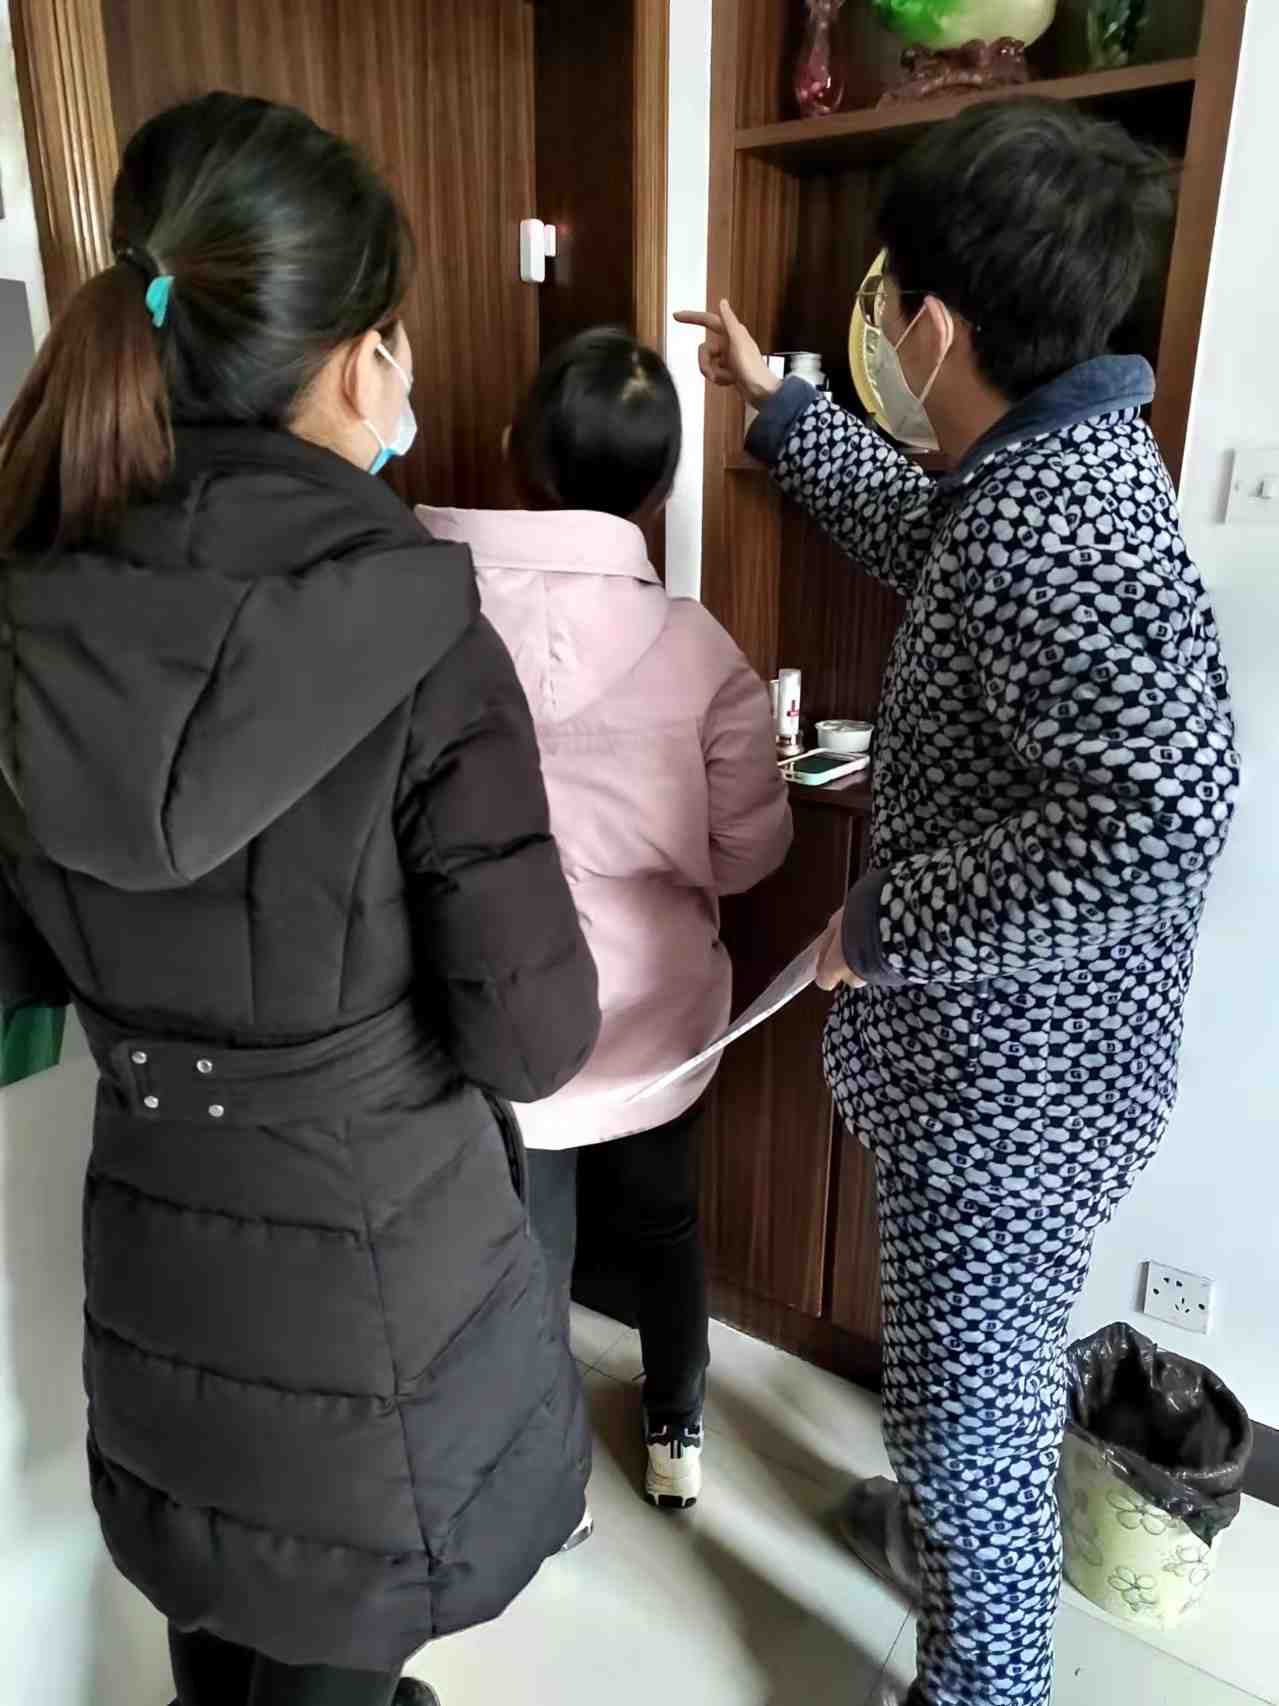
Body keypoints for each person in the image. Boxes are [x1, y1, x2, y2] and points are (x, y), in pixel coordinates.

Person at [0, 94, 601, 1706]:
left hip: (163, 1257)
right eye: (395, 341)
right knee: (330, 1632)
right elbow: (533, 1039)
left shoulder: (31, 614)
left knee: (222, 1611)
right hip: (374, 1298)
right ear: (355, 360)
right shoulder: (421, 636)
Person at [678, 97, 1238, 1706]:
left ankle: (982, 1671)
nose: (879, 323)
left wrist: (885, 921)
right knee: (964, 1385)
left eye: (885, 297)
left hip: (1016, 1094)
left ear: (929, 326)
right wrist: (779, 406)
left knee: (960, 1420)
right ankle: (952, 1527)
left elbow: (1156, 819)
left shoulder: (1059, 520)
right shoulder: (1034, 467)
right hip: (1020, 1074)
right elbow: (927, 537)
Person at [419, 329, 791, 1511]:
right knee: (665, 1221)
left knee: (531, 1239)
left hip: (502, 1006)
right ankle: (676, 1428)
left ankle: (551, 1481)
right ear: (662, 487)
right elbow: (750, 853)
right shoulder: (698, 649)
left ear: (515, 449)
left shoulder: (428, 616)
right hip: (656, 1016)